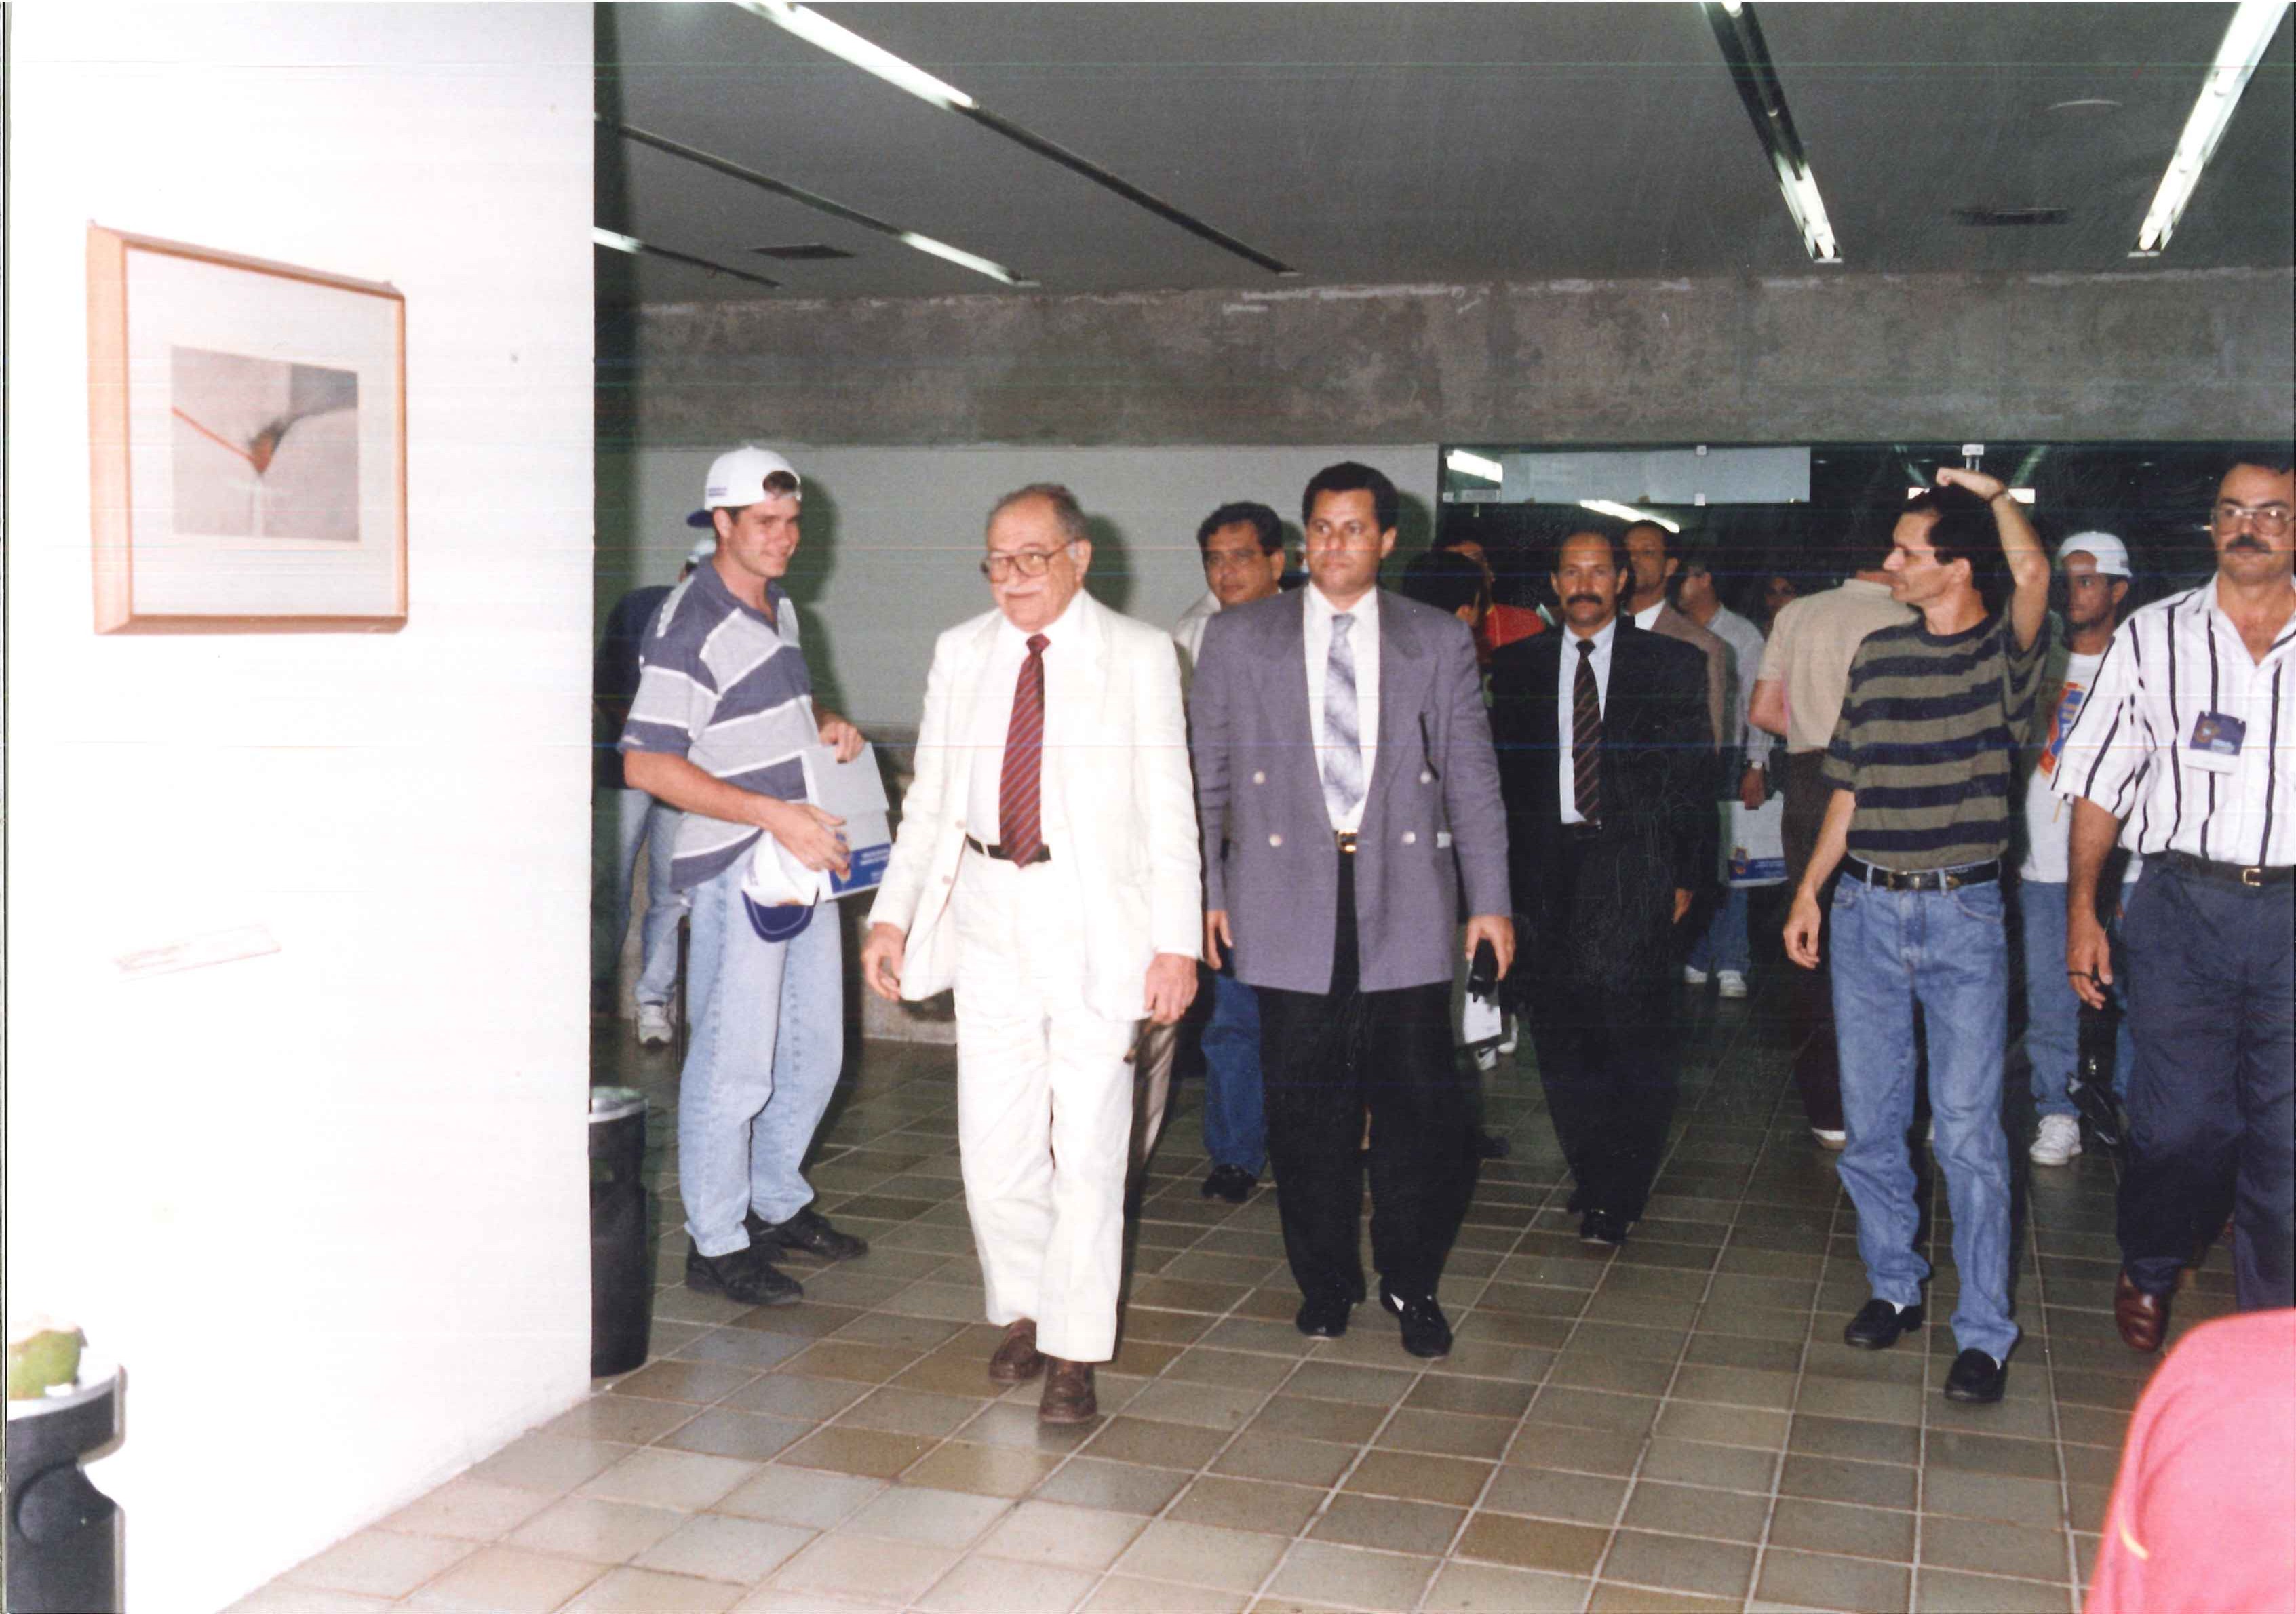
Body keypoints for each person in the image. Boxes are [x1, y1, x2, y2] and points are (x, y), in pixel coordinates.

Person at [861, 484, 1200, 1423]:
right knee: (994, 1146)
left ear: (1078, 558)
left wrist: (1176, 944)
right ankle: (1025, 1307)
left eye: (1031, 559)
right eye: (997, 562)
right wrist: (890, 918)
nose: (1011, 579)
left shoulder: (1139, 655)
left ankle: (1075, 1349)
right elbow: (929, 801)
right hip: (985, 911)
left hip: (1093, 921)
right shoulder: (962, 652)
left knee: (1089, 1145)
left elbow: (1171, 811)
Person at [1190, 461, 1512, 1360]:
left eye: (1355, 528)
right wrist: (1207, 892)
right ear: (1304, 539)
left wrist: (1490, 900)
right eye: (1322, 528)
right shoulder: (1240, 637)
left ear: (1387, 539)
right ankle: (1325, 1282)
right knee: (1305, 1110)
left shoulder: (1433, 639)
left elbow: (1472, 777)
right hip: (1282, 897)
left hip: (1404, 898)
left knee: (1418, 1109)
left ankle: (1412, 1281)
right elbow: (1205, 776)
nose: (1336, 545)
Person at [1784, 468, 2052, 1406]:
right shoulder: (1879, 653)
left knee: (1969, 1134)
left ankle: (1982, 1331)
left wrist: (1994, 495)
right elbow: (1846, 787)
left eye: (1907, 551)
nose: (1889, 564)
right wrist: (1810, 891)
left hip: (1962, 916)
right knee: (1870, 1123)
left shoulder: (2003, 653)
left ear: (1958, 566)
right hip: (1865, 909)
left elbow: (2033, 573)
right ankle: (1894, 1285)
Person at [621, 446, 872, 1308]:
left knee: (814, 1052)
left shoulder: (778, 609)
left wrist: (826, 723)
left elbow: (768, 716)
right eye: (765, 522)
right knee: (734, 1064)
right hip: (738, 864)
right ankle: (716, 1240)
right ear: (720, 522)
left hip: (798, 858)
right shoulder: (689, 622)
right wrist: (771, 814)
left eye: (792, 521)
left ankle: (775, 1201)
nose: (784, 537)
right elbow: (649, 764)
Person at [2055, 452, 2295, 1345]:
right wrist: (2082, 910)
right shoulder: (2151, 637)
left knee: (2286, 1140)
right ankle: (2152, 1259)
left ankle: (2267, 1334)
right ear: (2211, 525)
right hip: (2182, 909)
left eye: (2271, 513)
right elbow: (2098, 782)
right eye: (2232, 510)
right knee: (2180, 1127)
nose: (2248, 528)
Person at [1490, 530, 1708, 1246]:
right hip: (1543, 871)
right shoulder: (1516, 666)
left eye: (1598, 572)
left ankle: (1619, 1189)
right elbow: (1498, 782)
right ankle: (1590, 1170)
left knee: (1629, 1030)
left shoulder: (1670, 663)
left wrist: (1686, 875)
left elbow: (1691, 776)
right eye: (1571, 572)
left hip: (1631, 863)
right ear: (1555, 584)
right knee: (1560, 1031)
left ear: (1621, 581)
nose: (1584, 584)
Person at [1141, 500, 1286, 1206]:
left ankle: (1310, 1144)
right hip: (1222, 853)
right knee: (1233, 1016)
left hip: (1305, 857)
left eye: (1241, 557)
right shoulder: (1186, 638)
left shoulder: (1314, 632)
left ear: (1277, 562)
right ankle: (1235, 1153)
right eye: (1214, 560)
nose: (1226, 573)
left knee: (1305, 1016)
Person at [1751, 545, 1915, 1145]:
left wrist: (1812, 727)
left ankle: (1827, 1109)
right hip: (1891, 784)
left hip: (1808, 782)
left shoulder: (1797, 613)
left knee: (1809, 937)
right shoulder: (1911, 616)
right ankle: (1898, 1103)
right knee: (1893, 940)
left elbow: (1763, 711)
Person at [2017, 532, 2141, 1168]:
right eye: (2066, 581)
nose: (2074, 593)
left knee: (2139, 998)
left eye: (2088, 581)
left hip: (2130, 866)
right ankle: (2057, 1111)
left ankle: (2134, 1111)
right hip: (2044, 864)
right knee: (2050, 1000)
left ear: (2118, 590)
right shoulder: (2038, 664)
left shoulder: (2145, 665)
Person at [593, 545, 705, 1046]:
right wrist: (647, 742)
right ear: (682, 573)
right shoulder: (638, 609)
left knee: (673, 892)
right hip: (627, 773)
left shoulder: (730, 628)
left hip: (686, 780)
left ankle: (653, 1002)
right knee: (606, 883)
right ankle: (592, 987)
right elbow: (605, 688)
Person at [1675, 540, 1776, 1000]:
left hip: (1729, 756)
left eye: (1684, 579)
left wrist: (1756, 764)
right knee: (1693, 858)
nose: (1676, 589)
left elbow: (1758, 706)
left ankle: (1732, 959)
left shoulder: (1742, 635)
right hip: (1684, 757)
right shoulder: (1671, 630)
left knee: (1732, 861)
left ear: (1704, 580)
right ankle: (1698, 953)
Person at [1621, 521, 1731, 753]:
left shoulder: (1700, 644)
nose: (1634, 559)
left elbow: (1709, 743)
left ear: (1670, 567)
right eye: (1627, 552)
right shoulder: (1599, 633)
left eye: (1647, 552)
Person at [1433, 529, 1544, 658]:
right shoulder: (1432, 628)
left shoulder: (1526, 624)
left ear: (1490, 571)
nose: (1466, 573)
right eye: (1455, 567)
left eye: (1473, 563)